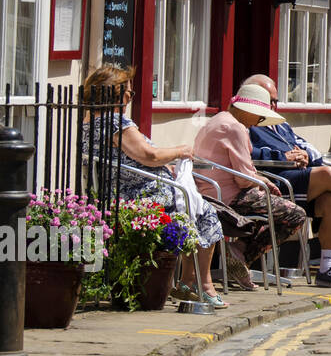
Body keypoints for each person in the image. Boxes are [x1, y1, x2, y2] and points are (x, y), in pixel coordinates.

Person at [193, 83, 331, 290]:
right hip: (239, 191)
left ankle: (326, 267)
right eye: (263, 110)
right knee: (307, 200)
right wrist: (273, 168)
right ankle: (241, 253)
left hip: (236, 186)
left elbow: (249, 166)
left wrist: (303, 155)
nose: (261, 118)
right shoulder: (237, 128)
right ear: (246, 109)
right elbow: (245, 173)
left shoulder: (225, 120)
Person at [81, 64, 227, 307]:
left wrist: (162, 167)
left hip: (116, 190)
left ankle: (191, 282)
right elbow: (149, 155)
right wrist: (181, 151)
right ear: (116, 93)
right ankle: (199, 284)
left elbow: (133, 160)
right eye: (129, 93)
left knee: (196, 205)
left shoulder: (89, 120)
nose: (130, 98)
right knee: (206, 212)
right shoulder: (115, 122)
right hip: (136, 195)